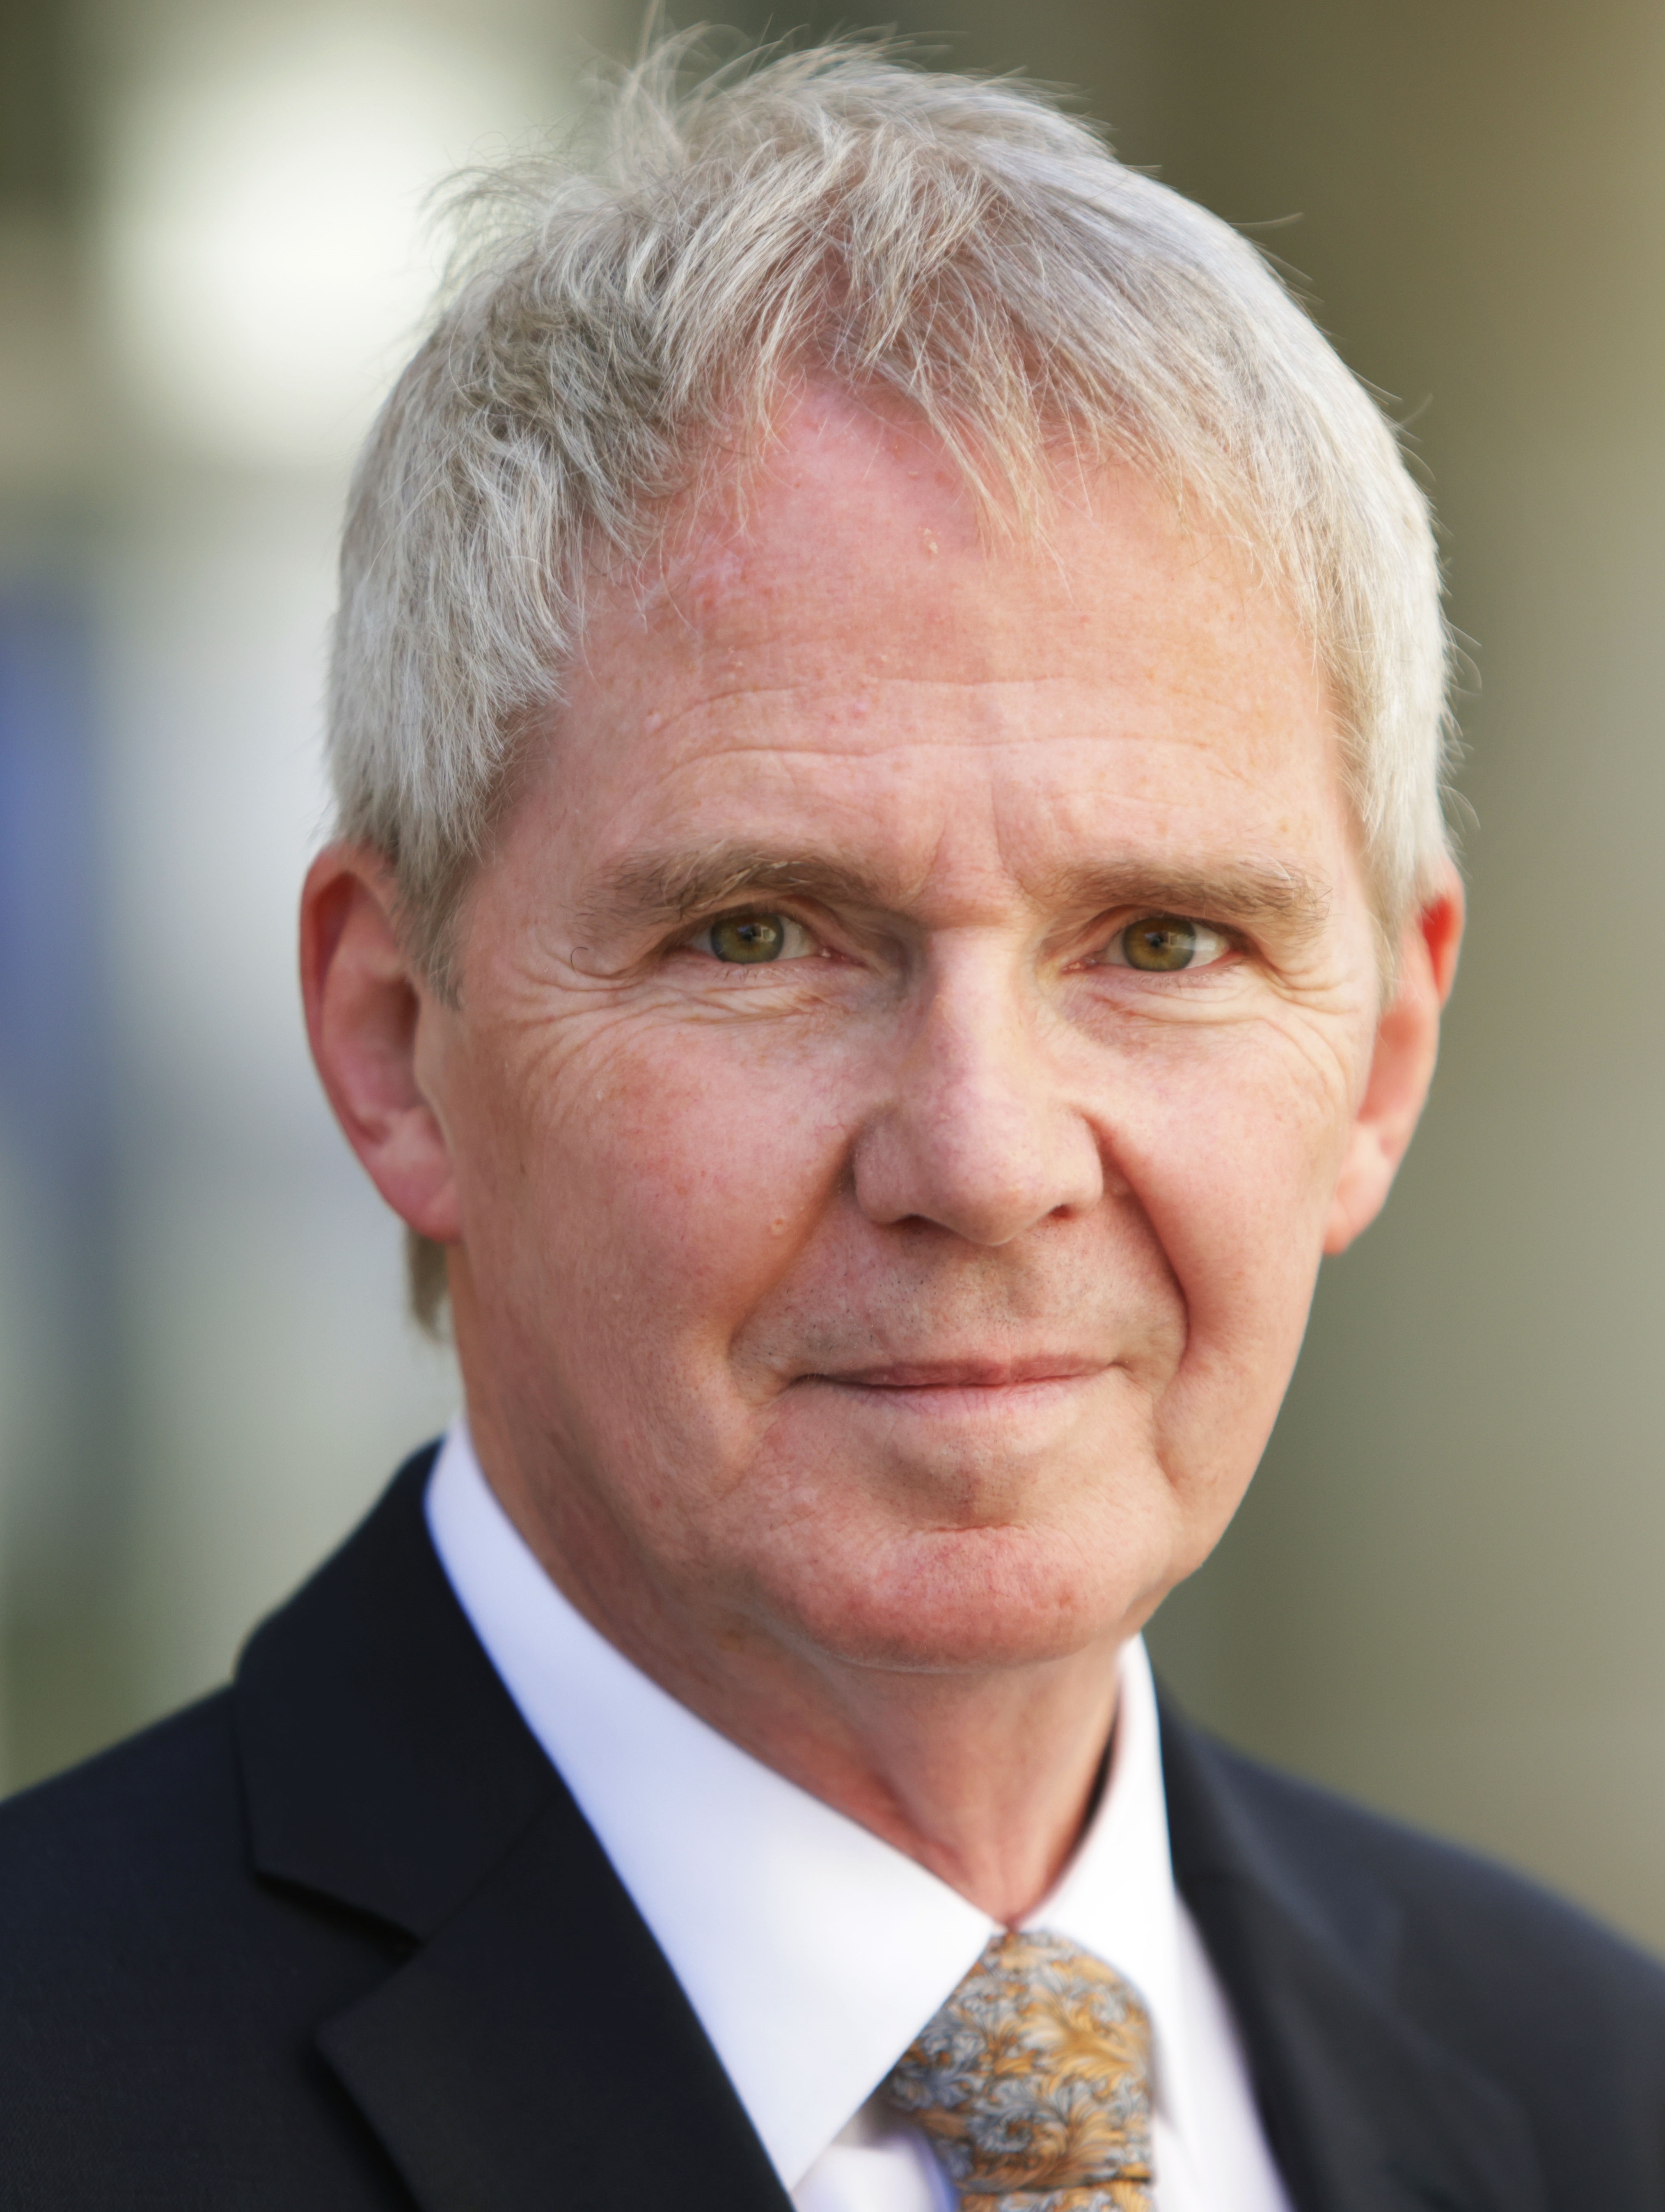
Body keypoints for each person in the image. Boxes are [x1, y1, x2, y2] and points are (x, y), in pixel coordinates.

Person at [4, 37, 1663, 2212]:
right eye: (764, 933)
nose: (984, 1158)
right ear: (398, 1041)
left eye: (1163, 942)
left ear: (1378, 1061)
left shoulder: (1599, 2095)